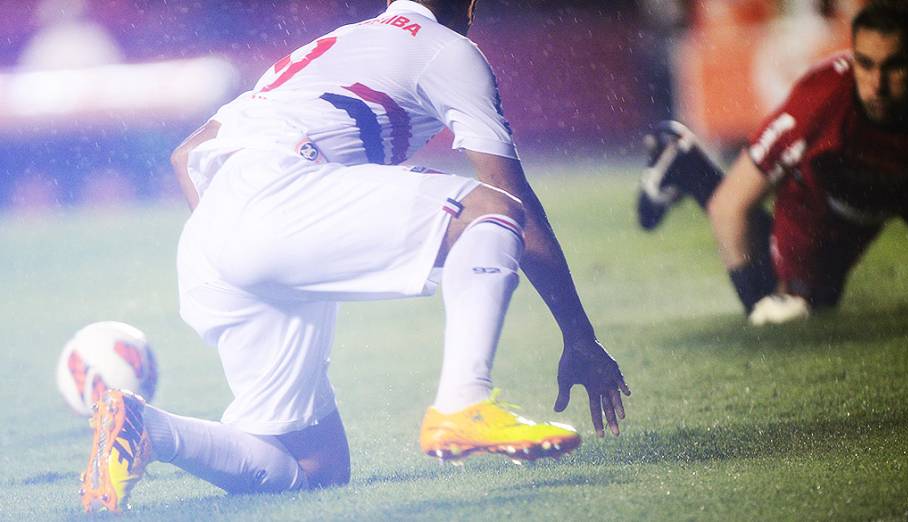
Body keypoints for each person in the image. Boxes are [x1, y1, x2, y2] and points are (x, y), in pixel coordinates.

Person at [79, 0, 630, 513]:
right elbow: (514, 202)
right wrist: (578, 335)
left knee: (314, 467)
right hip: (280, 197)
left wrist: (240, 247)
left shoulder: (333, 45)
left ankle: (146, 428)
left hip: (210, 237)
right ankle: (465, 405)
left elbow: (187, 154)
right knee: (489, 211)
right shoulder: (446, 48)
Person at [637, 1, 908, 326]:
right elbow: (728, 206)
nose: (878, 85)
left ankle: (687, 163)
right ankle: (688, 165)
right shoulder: (823, 100)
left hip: (878, 196)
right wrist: (756, 306)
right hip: (821, 204)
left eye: (895, 66)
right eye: (866, 64)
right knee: (800, 303)